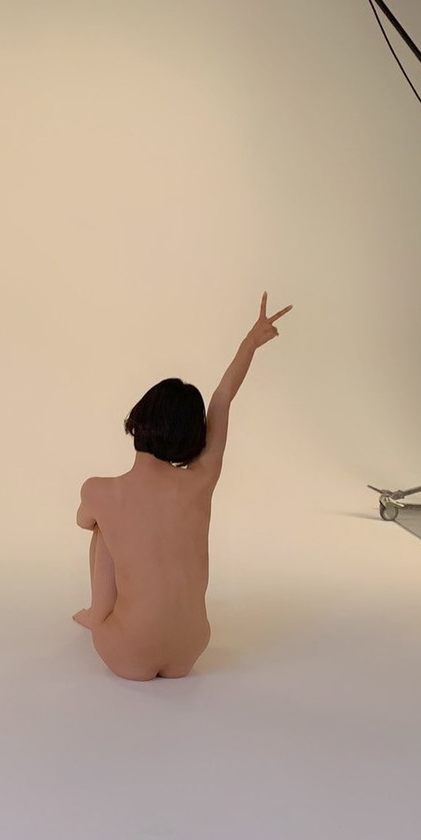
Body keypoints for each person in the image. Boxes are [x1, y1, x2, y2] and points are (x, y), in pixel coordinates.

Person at [73, 292, 293, 681]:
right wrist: (250, 343)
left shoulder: (99, 491)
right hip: (191, 649)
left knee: (102, 528)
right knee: (111, 525)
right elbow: (222, 398)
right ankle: (131, 628)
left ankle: (97, 616)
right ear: (194, 436)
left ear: (138, 419)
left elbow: (82, 521)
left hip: (127, 652)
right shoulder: (200, 481)